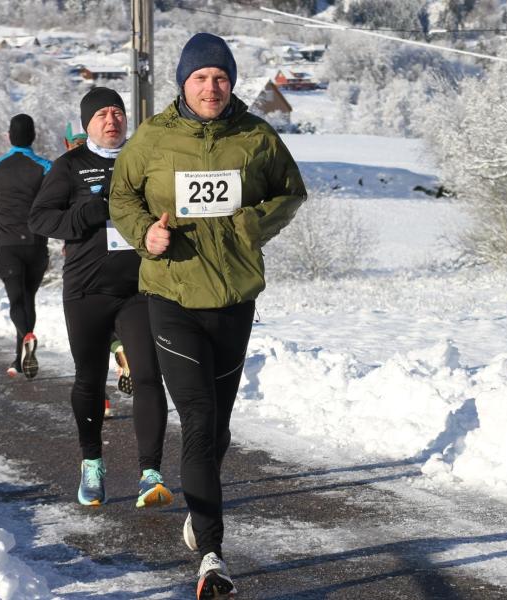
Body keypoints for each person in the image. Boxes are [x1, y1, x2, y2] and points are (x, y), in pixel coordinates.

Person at [109, 33, 306, 599]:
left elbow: (291, 193)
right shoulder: (152, 138)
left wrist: (251, 225)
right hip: (170, 295)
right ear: (183, 83)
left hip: (234, 299)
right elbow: (122, 198)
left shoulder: (255, 136)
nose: (211, 86)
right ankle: (213, 556)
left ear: (232, 82)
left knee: (216, 423)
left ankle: (199, 511)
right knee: (197, 416)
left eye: (220, 77)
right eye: (200, 78)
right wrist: (144, 232)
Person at [29, 87, 170, 510]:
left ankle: (150, 474)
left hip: (139, 290)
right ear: (87, 124)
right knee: (88, 380)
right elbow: (39, 219)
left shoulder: (144, 162)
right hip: (86, 291)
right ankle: (92, 464)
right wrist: (84, 214)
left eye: (118, 112)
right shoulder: (70, 166)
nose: (112, 120)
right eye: (102, 115)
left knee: (147, 375)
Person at [0, 114, 51, 379]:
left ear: (9, 136)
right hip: (36, 246)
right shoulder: (46, 167)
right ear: (33, 136)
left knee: (17, 300)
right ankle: (20, 358)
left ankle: (26, 340)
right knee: (29, 298)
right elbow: (58, 202)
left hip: (7, 246)